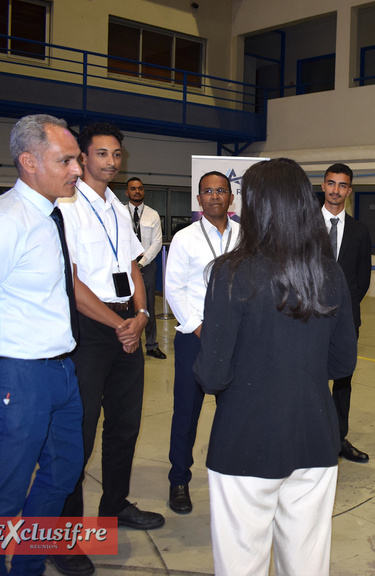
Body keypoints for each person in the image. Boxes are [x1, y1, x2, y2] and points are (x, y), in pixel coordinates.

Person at [193, 158, 356, 576]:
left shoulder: (231, 273)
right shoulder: (329, 273)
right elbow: (342, 362)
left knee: (241, 563)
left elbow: (212, 375)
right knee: (305, 562)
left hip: (244, 440)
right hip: (314, 436)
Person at [0, 114, 84, 576]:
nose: (77, 169)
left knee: (63, 475)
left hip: (60, 372)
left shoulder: (50, 215)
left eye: (76, 159)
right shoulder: (2, 222)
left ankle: (27, 567)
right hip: (15, 376)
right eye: (66, 160)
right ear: (29, 162)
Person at [54, 121, 164, 576]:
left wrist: (141, 315)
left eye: (117, 154)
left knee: (125, 425)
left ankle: (114, 505)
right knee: (78, 434)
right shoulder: (66, 205)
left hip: (126, 325)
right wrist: (120, 323)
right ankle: (63, 536)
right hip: (89, 329)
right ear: (82, 157)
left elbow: (134, 268)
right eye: (102, 154)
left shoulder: (117, 206)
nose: (112, 162)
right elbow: (71, 280)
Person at [165, 171, 241, 514]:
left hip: (237, 339)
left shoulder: (245, 235)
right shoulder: (185, 238)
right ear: (199, 199)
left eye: (221, 190)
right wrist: (199, 328)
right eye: (208, 191)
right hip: (195, 339)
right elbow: (174, 289)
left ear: (231, 198)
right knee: (187, 412)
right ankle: (179, 480)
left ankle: (233, 477)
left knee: (235, 412)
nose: (214, 196)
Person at [321, 163, 372, 463]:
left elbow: (362, 280)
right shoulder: (305, 226)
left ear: (349, 191)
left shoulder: (360, 231)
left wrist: (343, 310)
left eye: (342, 185)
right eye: (331, 183)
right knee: (310, 380)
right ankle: (312, 436)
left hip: (346, 321)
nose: (335, 190)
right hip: (308, 319)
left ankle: (339, 438)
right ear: (323, 185)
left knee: (342, 382)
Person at [126, 176, 166, 359]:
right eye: (133, 188)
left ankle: (151, 345)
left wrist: (141, 262)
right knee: (125, 305)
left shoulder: (153, 214)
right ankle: (128, 342)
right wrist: (129, 263)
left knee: (148, 305)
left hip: (147, 265)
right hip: (124, 266)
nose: (137, 191)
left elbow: (157, 242)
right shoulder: (119, 212)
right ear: (127, 192)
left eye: (140, 188)